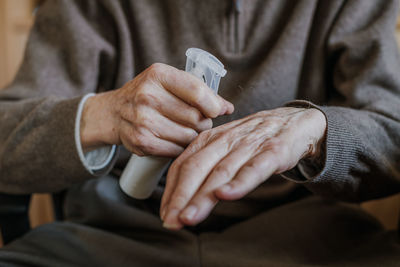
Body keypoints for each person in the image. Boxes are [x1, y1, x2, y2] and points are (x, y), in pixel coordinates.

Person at [0, 0, 399, 266]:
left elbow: (392, 132)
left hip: (309, 242)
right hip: (109, 239)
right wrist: (102, 115)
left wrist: (316, 130)